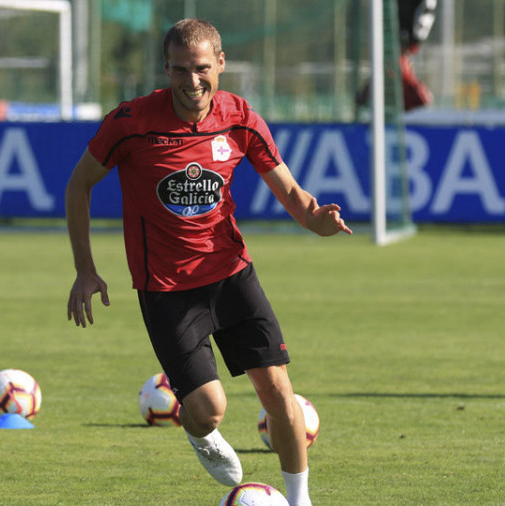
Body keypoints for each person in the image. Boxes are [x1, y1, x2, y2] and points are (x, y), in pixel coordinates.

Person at [65, 18, 351, 506]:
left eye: (201, 68)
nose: (190, 81)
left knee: (279, 391)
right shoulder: (130, 122)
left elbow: (292, 193)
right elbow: (79, 185)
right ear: (166, 68)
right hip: (166, 290)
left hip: (232, 274)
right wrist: (85, 269)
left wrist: (314, 219)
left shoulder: (240, 118)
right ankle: (199, 433)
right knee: (208, 409)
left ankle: (301, 501)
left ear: (221, 63)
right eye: (179, 70)